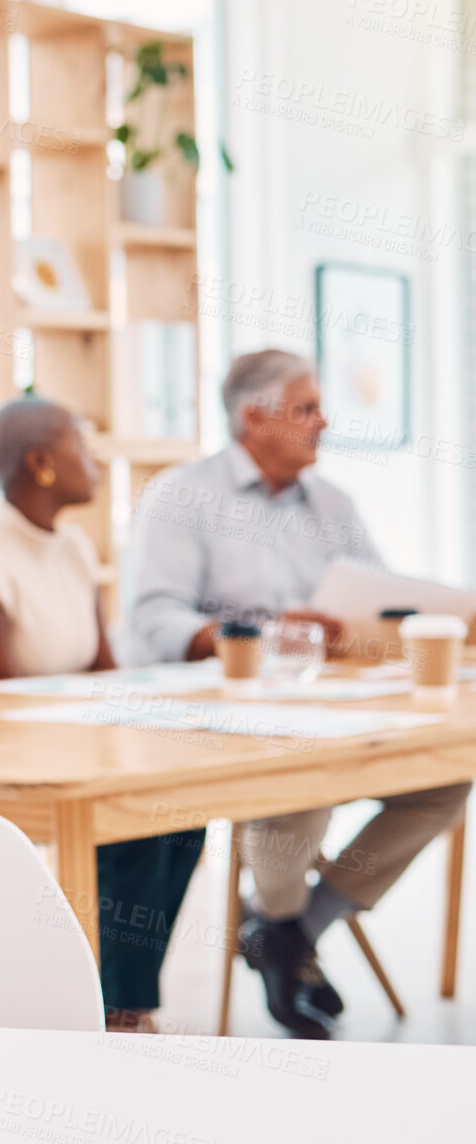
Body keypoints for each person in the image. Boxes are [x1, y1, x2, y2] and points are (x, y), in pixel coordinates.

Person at [123, 348, 471, 1038]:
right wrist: (265, 632)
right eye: (307, 408)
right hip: (229, 714)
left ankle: (288, 932)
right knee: (298, 786)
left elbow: (380, 600)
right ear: (255, 418)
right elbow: (153, 622)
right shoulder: (181, 495)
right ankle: (287, 939)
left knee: (449, 776)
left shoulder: (334, 503)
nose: (324, 421)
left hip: (332, 704)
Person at [0, 396, 203, 1034]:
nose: (94, 460)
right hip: (6, 760)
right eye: (81, 447)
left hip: (76, 746)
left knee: (181, 814)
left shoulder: (72, 548)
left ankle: (122, 1000)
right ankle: (122, 1010)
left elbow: (103, 670)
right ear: (40, 463)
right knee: (137, 821)